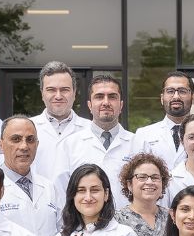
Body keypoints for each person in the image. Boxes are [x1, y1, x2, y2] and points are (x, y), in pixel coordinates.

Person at [54, 75, 135, 209]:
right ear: (89, 105)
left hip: (127, 225)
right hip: (82, 225)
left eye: (112, 96)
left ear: (121, 105)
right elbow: (60, 192)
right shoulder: (69, 145)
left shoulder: (137, 143)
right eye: (99, 96)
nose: (106, 102)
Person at [31, 61, 92, 178]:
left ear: (74, 93)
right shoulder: (28, 127)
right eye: (51, 90)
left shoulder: (91, 130)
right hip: (39, 196)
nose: (58, 96)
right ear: (42, 93)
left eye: (64, 89)